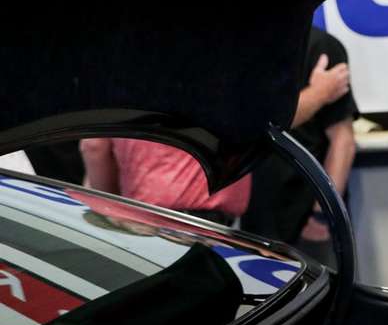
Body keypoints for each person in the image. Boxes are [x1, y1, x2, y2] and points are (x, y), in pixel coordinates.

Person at [242, 26, 356, 266]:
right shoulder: (240, 50)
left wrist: (322, 216)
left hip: (306, 218)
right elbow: (249, 124)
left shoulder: (321, 47)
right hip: (252, 223)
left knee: (324, 300)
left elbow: (342, 139)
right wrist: (319, 93)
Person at [79, 138, 250, 226]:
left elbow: (93, 146)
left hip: (146, 221)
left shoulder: (120, 83)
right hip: (221, 225)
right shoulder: (227, 78)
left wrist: (112, 210)